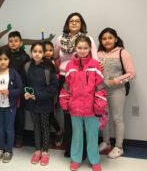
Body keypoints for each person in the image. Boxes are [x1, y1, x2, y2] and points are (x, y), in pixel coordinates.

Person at [60, 36, 107, 171]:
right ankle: (76, 159)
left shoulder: (95, 64)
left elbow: (100, 87)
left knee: (92, 136)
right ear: (75, 48)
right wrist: (65, 103)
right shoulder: (70, 65)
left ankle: (95, 160)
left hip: (92, 109)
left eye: (85, 48)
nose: (82, 50)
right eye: (79, 48)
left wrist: (99, 106)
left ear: (89, 48)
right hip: (74, 108)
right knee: (77, 135)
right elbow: (66, 87)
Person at [54, 12, 98, 157]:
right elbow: (55, 57)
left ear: (81, 24)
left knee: (85, 115)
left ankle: (85, 150)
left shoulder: (88, 39)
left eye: (77, 21)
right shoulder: (60, 39)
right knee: (68, 114)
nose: (73, 23)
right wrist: (60, 70)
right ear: (67, 23)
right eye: (71, 21)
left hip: (84, 80)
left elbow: (95, 61)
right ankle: (71, 149)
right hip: (64, 79)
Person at [97, 27, 136, 159]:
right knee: (104, 118)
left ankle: (119, 147)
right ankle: (106, 143)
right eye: (104, 38)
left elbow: (132, 74)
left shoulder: (122, 52)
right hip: (101, 91)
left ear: (115, 39)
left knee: (117, 118)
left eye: (110, 38)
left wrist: (116, 80)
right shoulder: (98, 53)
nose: (107, 41)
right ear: (100, 41)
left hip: (117, 91)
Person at [0, 48, 23, 163]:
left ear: (9, 60)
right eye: (0, 59)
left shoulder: (13, 73)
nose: (2, 62)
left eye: (5, 59)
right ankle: (1, 148)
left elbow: (20, 89)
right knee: (0, 128)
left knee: (9, 128)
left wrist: (10, 92)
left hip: (9, 106)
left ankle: (9, 150)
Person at [23, 42, 58, 166]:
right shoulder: (27, 66)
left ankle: (45, 152)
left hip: (45, 103)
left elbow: (54, 88)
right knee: (36, 126)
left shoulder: (49, 68)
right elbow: (24, 83)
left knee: (45, 127)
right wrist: (25, 93)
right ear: (31, 52)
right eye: (34, 51)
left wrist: (38, 96)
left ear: (43, 54)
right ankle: (37, 150)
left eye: (40, 52)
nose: (37, 54)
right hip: (32, 104)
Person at [7, 31, 30, 148]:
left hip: (19, 90)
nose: (13, 43)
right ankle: (8, 135)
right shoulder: (5, 55)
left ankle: (19, 137)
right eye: (10, 41)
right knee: (7, 113)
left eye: (16, 41)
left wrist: (19, 88)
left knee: (19, 114)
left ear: (21, 43)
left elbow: (25, 75)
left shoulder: (25, 57)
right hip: (5, 90)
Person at [43, 41, 63, 146]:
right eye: (45, 50)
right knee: (43, 117)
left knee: (50, 115)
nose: (48, 53)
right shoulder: (38, 62)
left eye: (50, 50)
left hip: (52, 94)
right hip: (41, 94)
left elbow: (59, 77)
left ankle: (59, 132)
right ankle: (46, 138)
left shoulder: (56, 62)